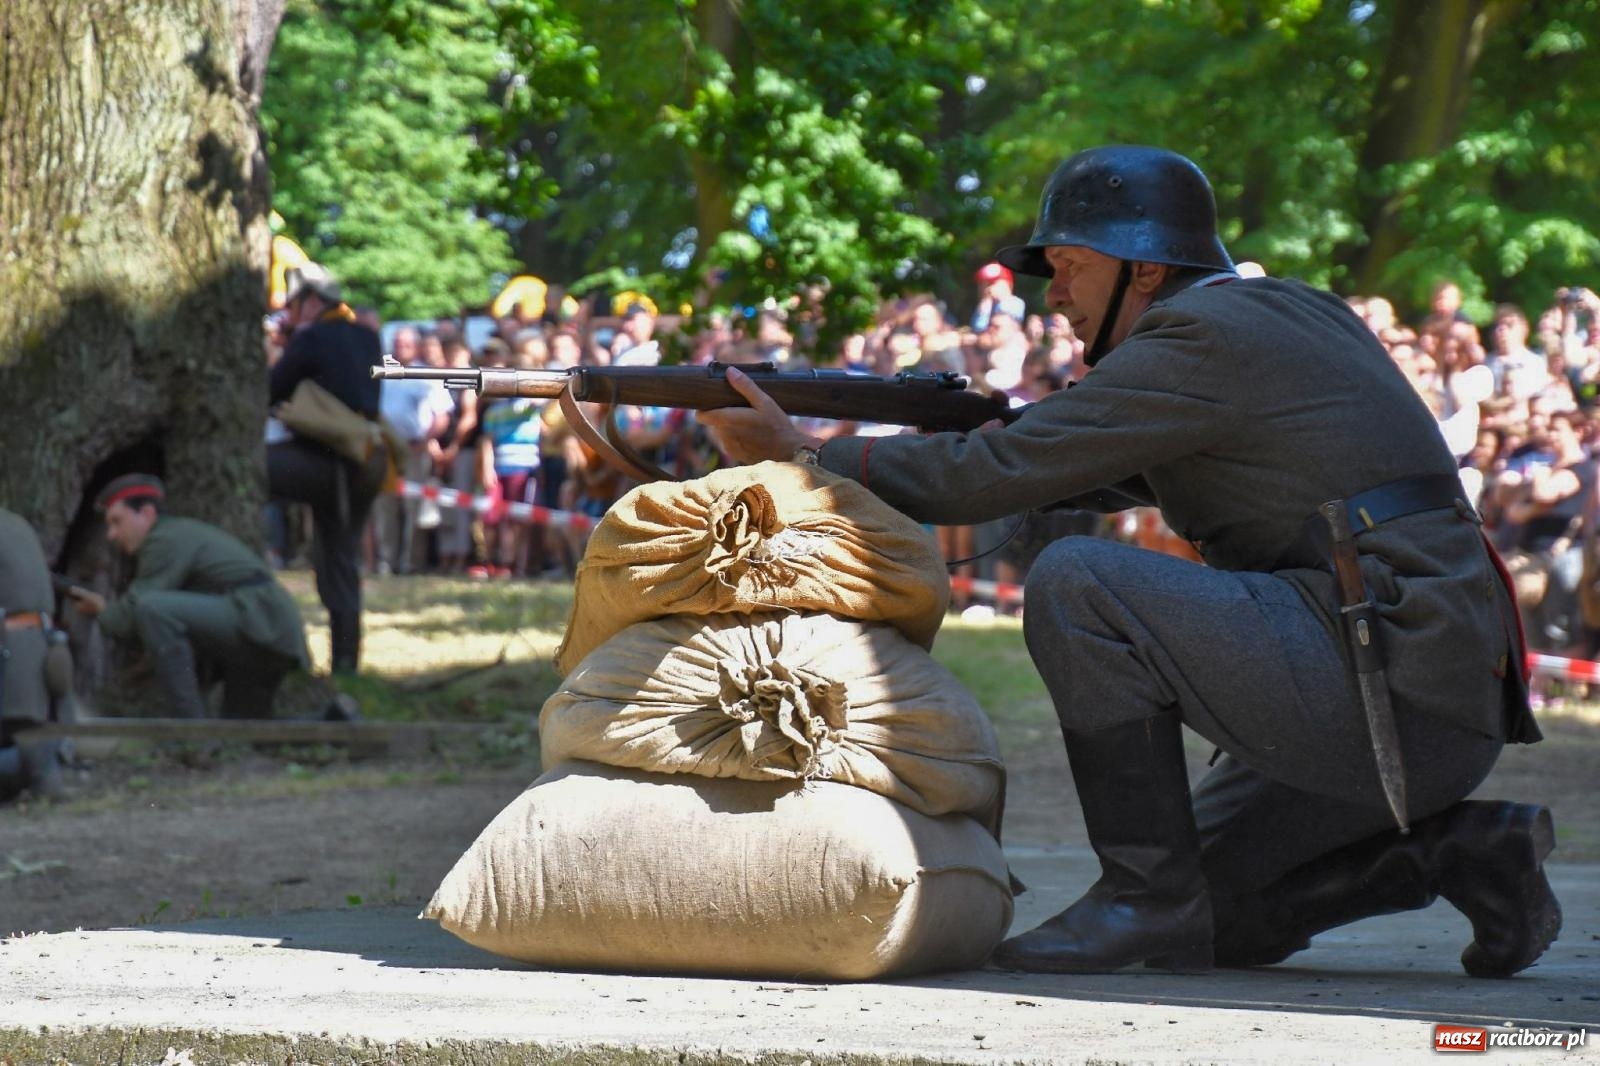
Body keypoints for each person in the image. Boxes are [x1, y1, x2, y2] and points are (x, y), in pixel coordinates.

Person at [700, 144, 1555, 979]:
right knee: (1213, 916)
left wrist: (805, 454)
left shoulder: (1201, 335)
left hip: (1389, 689)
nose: (1053, 294)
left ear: (1145, 269)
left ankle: (1143, 893)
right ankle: (1461, 851)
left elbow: (998, 472)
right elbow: (1074, 462)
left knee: (1081, 583)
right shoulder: (1279, 313)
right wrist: (990, 432)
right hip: (1431, 695)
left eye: (1071, 266)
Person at [66, 476, 308, 720]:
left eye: (117, 521)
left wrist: (101, 609)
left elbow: (130, 617)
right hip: (269, 626)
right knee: (242, 730)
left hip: (260, 620)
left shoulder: (164, 539)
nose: (112, 534)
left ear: (147, 514)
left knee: (154, 609)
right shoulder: (178, 533)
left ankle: (190, 728)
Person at [266, 264, 387, 673]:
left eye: (293, 305)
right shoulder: (367, 336)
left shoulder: (312, 337)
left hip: (323, 463)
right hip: (367, 460)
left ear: (312, 301)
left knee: (248, 470)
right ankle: (346, 665)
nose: (289, 313)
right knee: (341, 562)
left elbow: (270, 390)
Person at [0, 508, 77, 800]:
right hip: (42, 649)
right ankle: (40, 765)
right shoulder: (15, 522)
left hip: (12, 660)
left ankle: (32, 765)